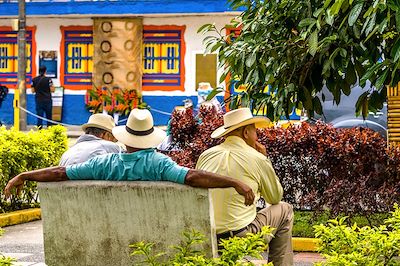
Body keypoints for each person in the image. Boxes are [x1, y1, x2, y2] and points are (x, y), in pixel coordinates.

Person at [4, 109, 255, 208]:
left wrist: (24, 175)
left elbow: (60, 173)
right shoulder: (158, 165)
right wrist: (235, 182)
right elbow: (193, 176)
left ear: (125, 137)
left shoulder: (104, 165)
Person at [196, 108, 293, 266]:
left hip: (208, 234)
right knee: (285, 209)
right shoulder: (257, 158)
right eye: (255, 130)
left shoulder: (206, 155)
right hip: (240, 236)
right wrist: (265, 159)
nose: (257, 135)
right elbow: (275, 197)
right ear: (246, 133)